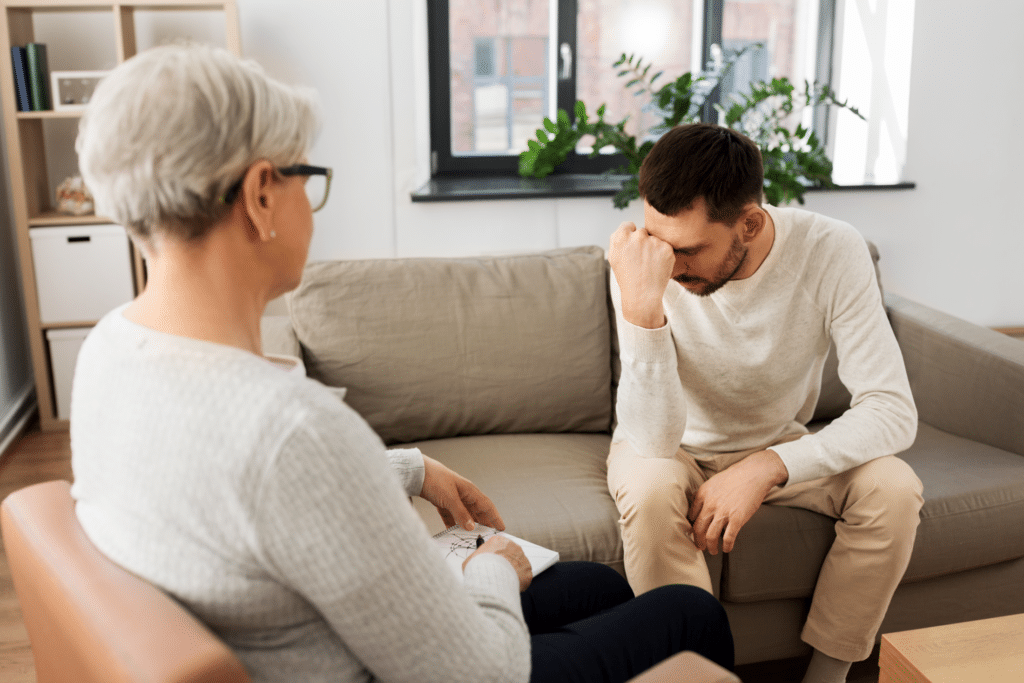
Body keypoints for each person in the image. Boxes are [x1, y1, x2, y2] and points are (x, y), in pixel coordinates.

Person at [69, 44, 734, 683]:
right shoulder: (290, 429)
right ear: (260, 197)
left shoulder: (108, 348)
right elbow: (485, 672)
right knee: (691, 612)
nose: (311, 201)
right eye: (307, 176)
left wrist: (407, 467)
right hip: (411, 667)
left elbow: (232, 490)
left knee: (597, 586)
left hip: (297, 632)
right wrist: (491, 570)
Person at [606, 123, 924, 683]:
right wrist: (641, 306)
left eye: (687, 250)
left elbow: (892, 408)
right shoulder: (644, 265)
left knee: (895, 489)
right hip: (666, 444)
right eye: (660, 242)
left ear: (749, 223)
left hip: (778, 441)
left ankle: (826, 676)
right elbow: (653, 440)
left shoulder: (830, 249)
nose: (670, 265)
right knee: (652, 490)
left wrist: (768, 466)